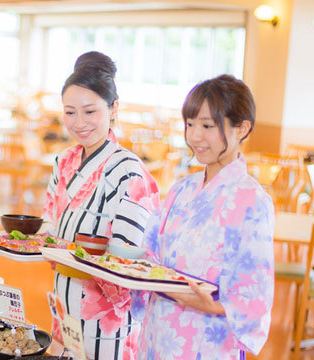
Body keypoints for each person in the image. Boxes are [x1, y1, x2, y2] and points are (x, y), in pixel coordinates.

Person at [132, 75, 275, 359]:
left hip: (208, 338)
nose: (195, 136)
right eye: (190, 124)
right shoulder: (181, 188)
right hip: (158, 330)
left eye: (208, 125)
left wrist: (212, 306)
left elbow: (254, 292)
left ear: (242, 128)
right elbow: (149, 251)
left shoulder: (253, 201)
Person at [43, 51, 159, 359]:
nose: (79, 123)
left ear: (114, 108)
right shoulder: (63, 161)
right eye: (70, 113)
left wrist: (68, 254)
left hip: (105, 317)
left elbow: (125, 263)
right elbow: (48, 226)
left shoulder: (130, 171)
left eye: (90, 111)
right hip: (63, 300)